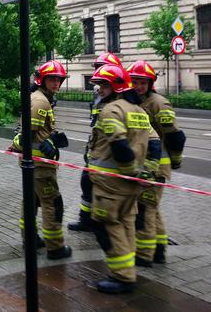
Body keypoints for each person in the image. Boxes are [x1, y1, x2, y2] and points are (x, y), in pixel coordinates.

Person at [86, 64, 153, 294]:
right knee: (125, 223)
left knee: (105, 226)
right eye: (99, 85)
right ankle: (128, 269)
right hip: (130, 185)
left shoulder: (112, 110)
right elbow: (152, 143)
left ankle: (122, 276)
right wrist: (143, 172)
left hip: (110, 184)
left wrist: (129, 170)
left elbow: (118, 144)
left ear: (115, 86)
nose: (99, 90)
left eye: (104, 85)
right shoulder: (139, 110)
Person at [10, 60, 72, 260]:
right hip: (40, 166)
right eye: (52, 79)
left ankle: (30, 238)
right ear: (42, 80)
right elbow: (28, 133)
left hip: (35, 165)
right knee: (52, 203)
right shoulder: (40, 101)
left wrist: (52, 138)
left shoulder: (41, 97)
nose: (56, 83)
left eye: (58, 79)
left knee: (30, 201)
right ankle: (55, 248)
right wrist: (47, 143)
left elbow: (33, 133)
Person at [127, 60, 186, 266]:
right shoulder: (133, 101)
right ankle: (159, 250)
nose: (138, 86)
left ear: (150, 83)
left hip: (156, 166)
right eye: (134, 81)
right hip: (144, 165)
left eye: (142, 82)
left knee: (145, 209)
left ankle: (144, 255)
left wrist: (175, 160)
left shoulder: (158, 103)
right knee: (152, 208)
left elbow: (175, 136)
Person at [69, 52, 123, 232]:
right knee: (87, 182)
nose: (98, 72)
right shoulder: (100, 94)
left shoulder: (119, 97)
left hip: (110, 154)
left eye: (102, 68)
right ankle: (87, 220)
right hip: (96, 150)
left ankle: (108, 224)